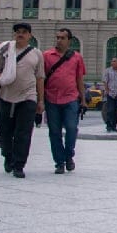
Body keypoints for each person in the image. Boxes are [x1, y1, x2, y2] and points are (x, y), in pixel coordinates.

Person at [0, 22, 45, 178]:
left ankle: (19, 165)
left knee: (24, 133)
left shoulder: (36, 53)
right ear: (14, 34)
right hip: (6, 96)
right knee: (5, 131)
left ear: (30, 35)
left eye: (24, 32)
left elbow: (40, 78)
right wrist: (1, 77)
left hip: (28, 97)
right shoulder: (5, 51)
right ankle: (8, 156)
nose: (20, 34)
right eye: (17, 32)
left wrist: (40, 101)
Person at [42, 28, 87, 174]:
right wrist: (40, 100)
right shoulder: (47, 56)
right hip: (51, 99)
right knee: (54, 132)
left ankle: (69, 155)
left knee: (71, 128)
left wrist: (83, 99)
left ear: (69, 40)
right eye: (57, 37)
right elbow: (41, 79)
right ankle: (59, 162)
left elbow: (79, 79)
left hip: (70, 98)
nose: (59, 40)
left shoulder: (76, 57)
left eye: (62, 38)